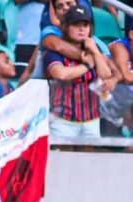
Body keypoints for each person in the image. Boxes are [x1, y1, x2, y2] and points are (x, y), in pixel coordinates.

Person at [44, 5, 112, 138]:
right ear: (65, 27)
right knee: (63, 157)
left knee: (91, 158)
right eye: (76, 24)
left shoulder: (94, 51)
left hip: (91, 119)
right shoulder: (55, 52)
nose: (81, 29)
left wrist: (95, 51)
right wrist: (87, 66)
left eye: (85, 25)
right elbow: (61, 74)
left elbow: (106, 75)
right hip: (62, 120)